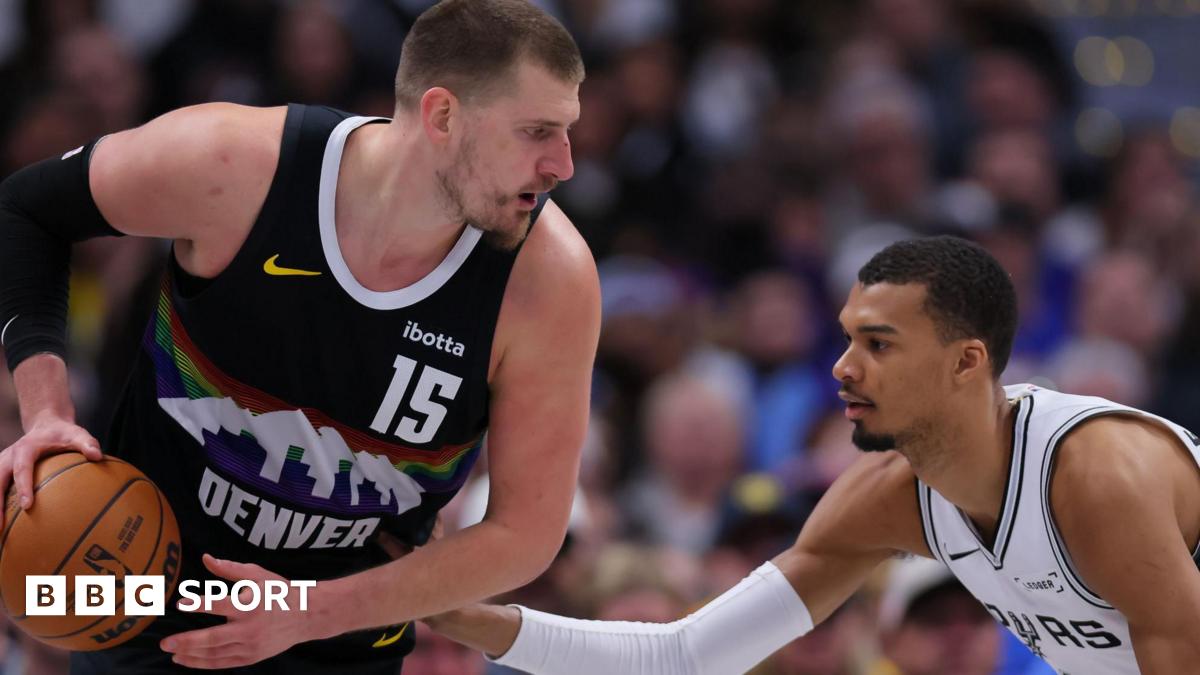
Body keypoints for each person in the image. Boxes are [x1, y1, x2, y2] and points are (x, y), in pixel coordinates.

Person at [0, 0, 599, 672]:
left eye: (567, 130)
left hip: (342, 631)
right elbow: (28, 209)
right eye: (538, 131)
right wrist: (46, 412)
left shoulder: (548, 282)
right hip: (143, 587)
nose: (564, 164)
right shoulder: (239, 166)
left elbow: (525, 533)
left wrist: (311, 612)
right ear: (442, 116)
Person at [425, 236, 1200, 674]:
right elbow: (685, 653)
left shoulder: (1099, 478)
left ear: (967, 363)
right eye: (846, 337)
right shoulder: (891, 498)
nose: (843, 366)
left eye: (878, 344)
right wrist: (471, 619)